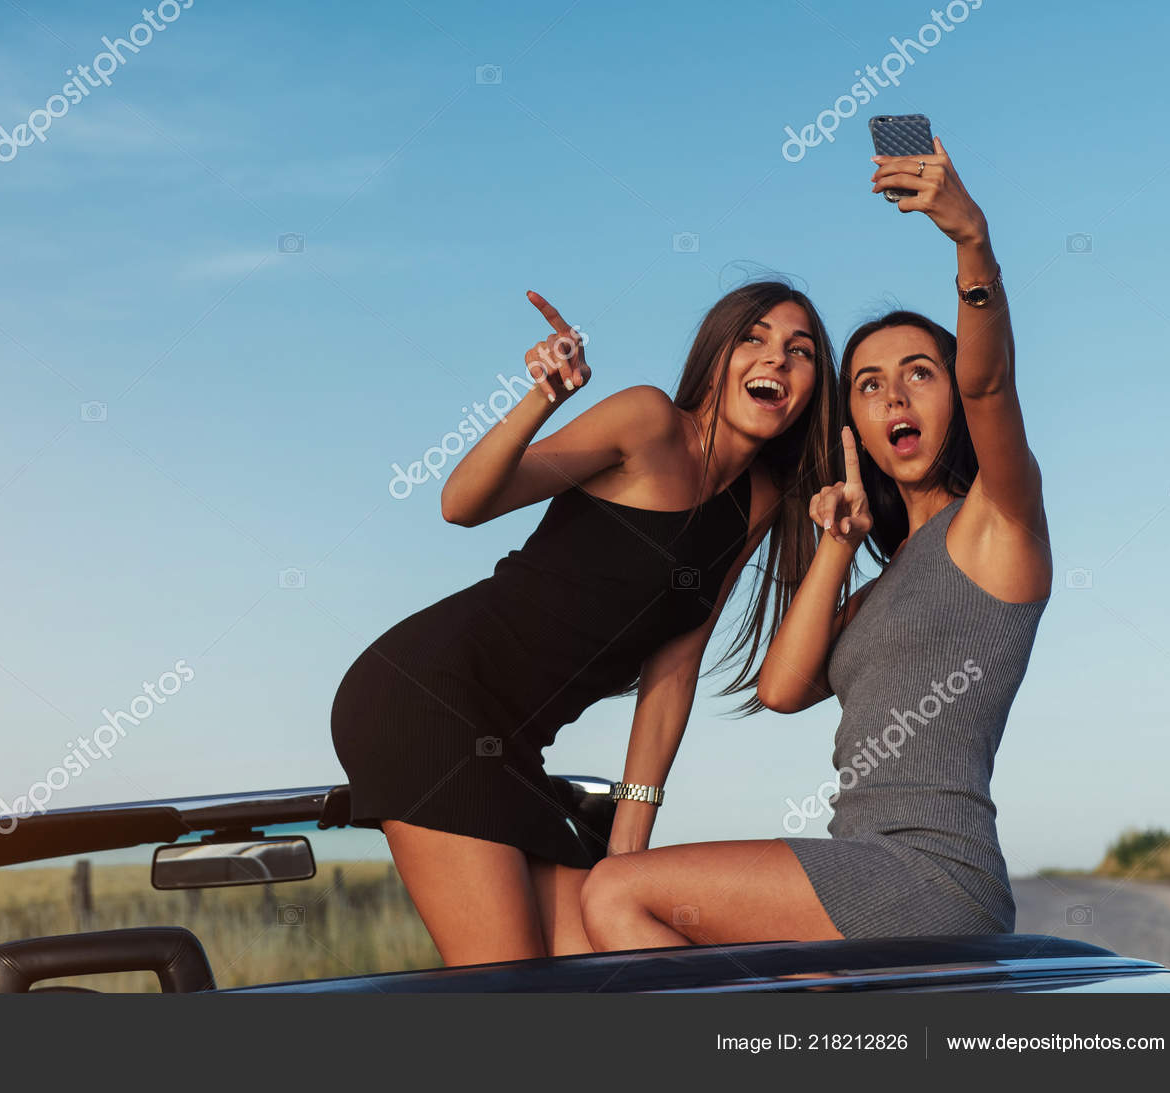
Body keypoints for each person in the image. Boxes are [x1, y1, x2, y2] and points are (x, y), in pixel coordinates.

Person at [580, 138, 1051, 950]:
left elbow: (991, 382)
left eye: (919, 373)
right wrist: (836, 543)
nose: (893, 394)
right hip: (865, 866)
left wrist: (971, 240)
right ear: (854, 426)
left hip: (932, 873)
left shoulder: (999, 522)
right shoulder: (890, 575)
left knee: (620, 891)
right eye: (868, 384)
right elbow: (782, 687)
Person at [331, 282, 840, 965]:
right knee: (514, 997)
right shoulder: (647, 421)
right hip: (428, 695)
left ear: (812, 386)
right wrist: (546, 395)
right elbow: (462, 503)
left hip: (514, 747)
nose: (774, 359)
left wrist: (633, 836)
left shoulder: (759, 500)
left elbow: (676, 664)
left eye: (798, 351)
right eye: (753, 338)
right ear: (716, 356)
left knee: (598, 973)